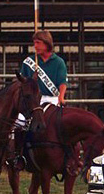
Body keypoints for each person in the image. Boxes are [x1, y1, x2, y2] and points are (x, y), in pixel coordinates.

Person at [8, 30, 67, 170]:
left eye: (38, 43)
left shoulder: (58, 62)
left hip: (52, 98)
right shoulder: (29, 62)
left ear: (47, 44)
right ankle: (19, 156)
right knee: (20, 122)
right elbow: (21, 81)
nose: (35, 46)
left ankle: (67, 156)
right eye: (34, 43)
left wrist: (61, 96)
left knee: (58, 124)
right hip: (33, 100)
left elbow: (62, 82)